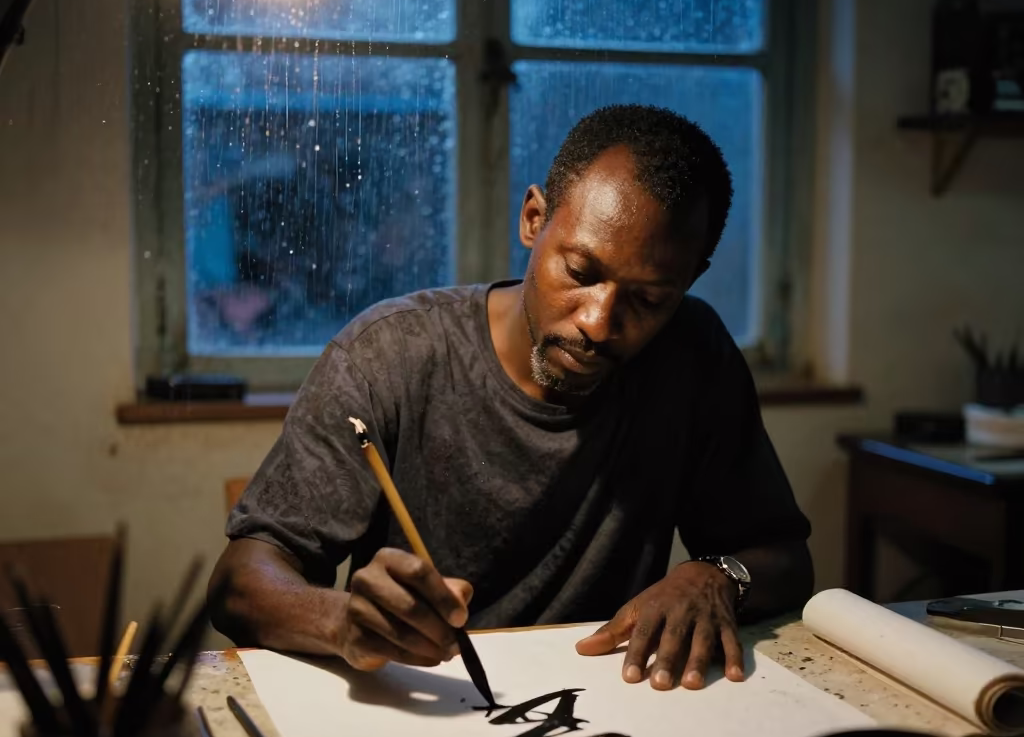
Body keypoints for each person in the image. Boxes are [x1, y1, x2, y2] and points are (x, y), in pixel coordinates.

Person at [209, 104, 813, 692]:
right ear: (533, 219)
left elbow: (786, 558)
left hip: (607, 705)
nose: (599, 322)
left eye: (649, 299)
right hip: (421, 704)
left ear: (691, 278)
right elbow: (239, 584)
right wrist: (343, 623)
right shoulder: (389, 355)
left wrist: (718, 575)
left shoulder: (692, 354)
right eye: (580, 273)